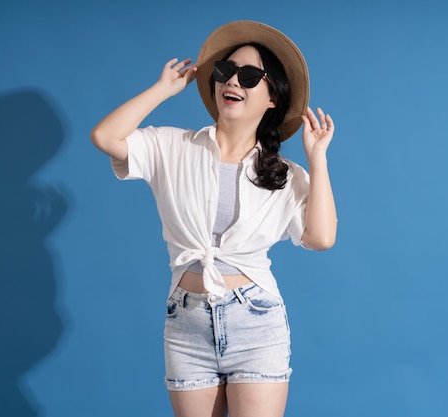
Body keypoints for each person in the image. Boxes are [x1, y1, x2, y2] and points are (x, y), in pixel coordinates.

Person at [91, 20, 337, 417]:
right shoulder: (173, 146)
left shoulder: (284, 174)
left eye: (250, 75)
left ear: (273, 97)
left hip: (256, 321)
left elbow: (321, 237)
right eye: (225, 71)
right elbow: (106, 138)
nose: (232, 81)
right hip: (186, 324)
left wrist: (318, 158)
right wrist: (162, 90)